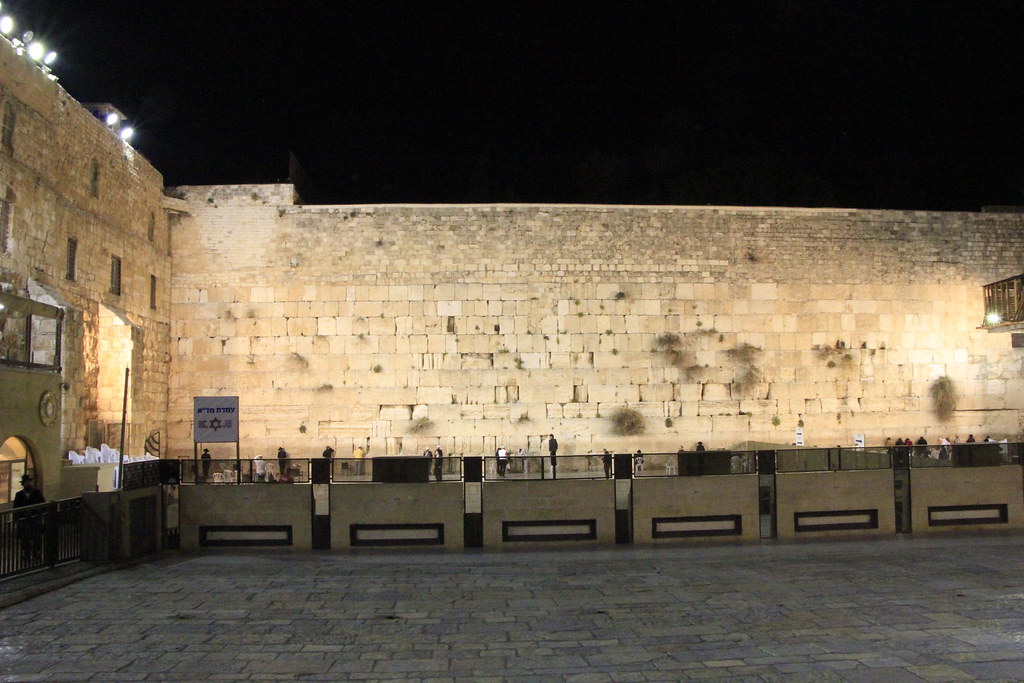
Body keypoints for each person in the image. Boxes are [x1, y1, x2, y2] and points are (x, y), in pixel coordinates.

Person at [13, 474, 46, 562]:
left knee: (36, 538)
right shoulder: (19, 495)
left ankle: (36, 553)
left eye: (29, 482)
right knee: (25, 539)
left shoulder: (36, 493)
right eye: (26, 483)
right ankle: (27, 554)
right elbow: (16, 507)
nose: (28, 484)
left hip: (34, 519)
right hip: (24, 521)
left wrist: (39, 514)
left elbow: (42, 505)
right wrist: (17, 519)